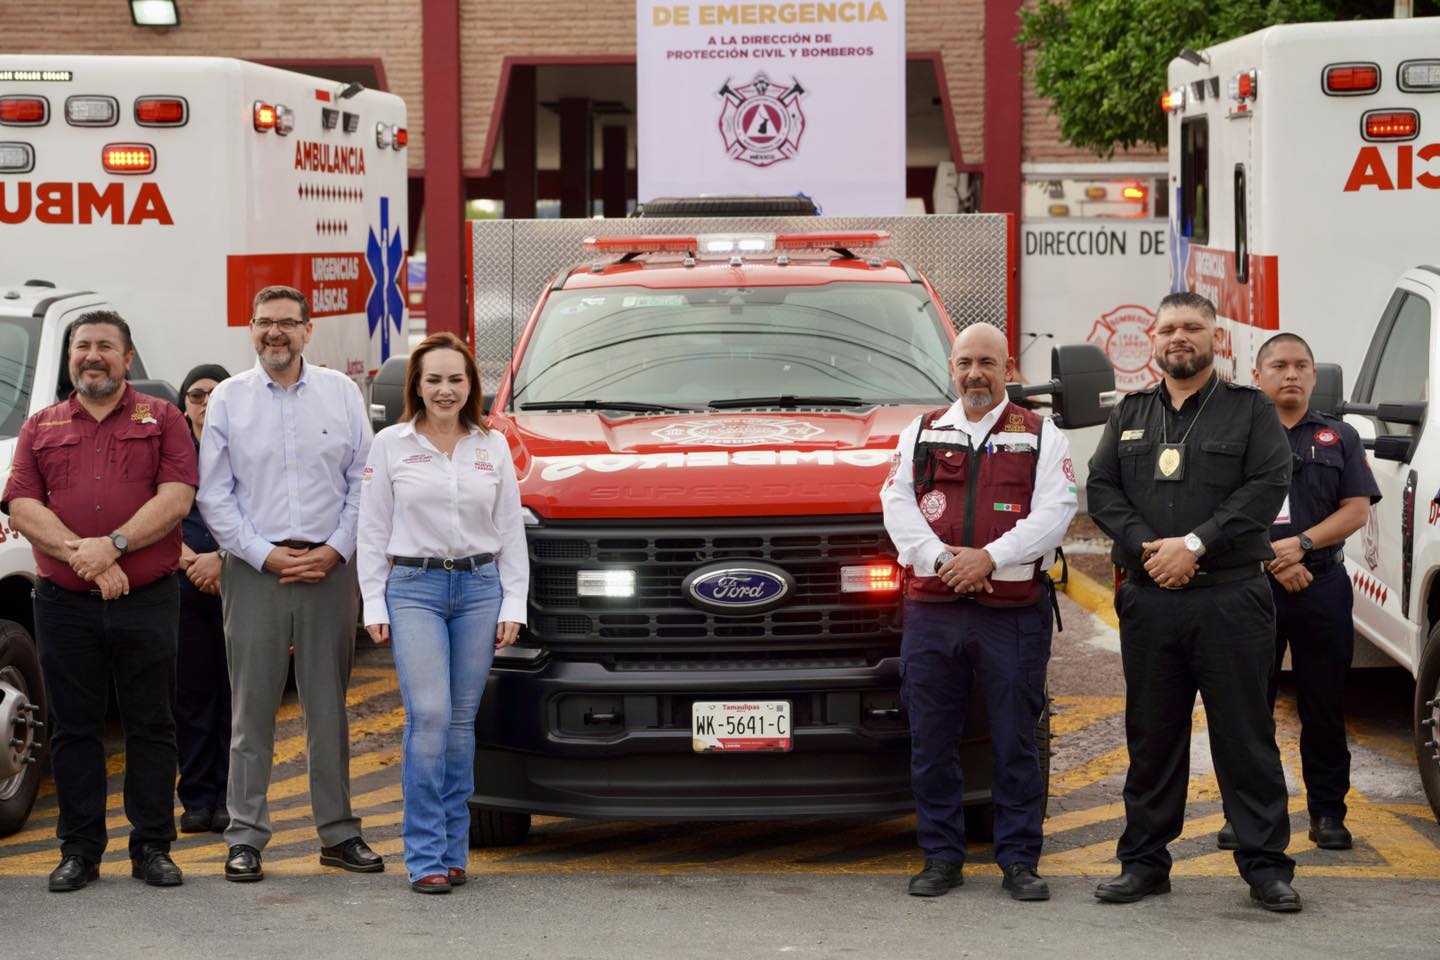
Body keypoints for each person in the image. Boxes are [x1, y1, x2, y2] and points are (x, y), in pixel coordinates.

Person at [1086, 291, 1301, 913]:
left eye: (1192, 328)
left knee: (1245, 736)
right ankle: (1145, 863)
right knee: (1152, 737)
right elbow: (1101, 488)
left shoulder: (1249, 410)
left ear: (1215, 339)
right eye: (1168, 328)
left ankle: (1265, 868)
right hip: (1151, 601)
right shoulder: (1129, 411)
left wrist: (1195, 545)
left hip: (1231, 598)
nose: (1179, 337)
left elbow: (1267, 485)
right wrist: (1148, 548)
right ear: (1153, 341)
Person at [880, 322, 1077, 901]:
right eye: (965, 362)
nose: (975, 375)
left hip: (1011, 613)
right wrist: (945, 560)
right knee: (932, 738)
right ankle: (941, 856)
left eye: (987, 363)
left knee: (1016, 739)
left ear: (1009, 368)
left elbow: (1056, 512)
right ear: (951, 367)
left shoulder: (1042, 434)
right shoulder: (920, 431)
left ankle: (1019, 860)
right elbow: (896, 504)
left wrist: (988, 559)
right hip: (933, 610)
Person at [1, 311, 196, 892]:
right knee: (74, 729)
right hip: (65, 602)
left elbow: (178, 497)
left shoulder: (162, 419)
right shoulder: (41, 426)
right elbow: (20, 504)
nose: (93, 355)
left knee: (152, 723)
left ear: (127, 357)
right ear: (70, 359)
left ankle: (153, 847)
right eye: (82, 346)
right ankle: (80, 850)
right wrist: (82, 556)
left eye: (105, 346)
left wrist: (112, 547)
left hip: (147, 597)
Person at [197, 285, 380, 882]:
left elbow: (364, 479)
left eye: (287, 323)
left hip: (331, 570)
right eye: (264, 323)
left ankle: (338, 833)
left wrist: (335, 550)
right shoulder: (228, 398)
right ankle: (245, 836)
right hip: (255, 574)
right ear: (251, 329)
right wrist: (264, 556)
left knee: (328, 708)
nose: (275, 333)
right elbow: (214, 495)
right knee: (251, 711)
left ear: (308, 330)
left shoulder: (341, 393)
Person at [357, 332, 528, 893]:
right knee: (428, 717)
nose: (446, 390)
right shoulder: (390, 445)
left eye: (456, 379)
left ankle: (455, 850)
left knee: (459, 725)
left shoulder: (492, 445)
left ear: (471, 385)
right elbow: (373, 528)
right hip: (414, 589)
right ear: (417, 386)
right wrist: (374, 601)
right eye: (434, 379)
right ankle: (425, 853)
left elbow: (509, 531)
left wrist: (514, 602)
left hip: (480, 588)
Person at [1210, 333, 1377, 852]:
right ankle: (1246, 815)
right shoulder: (1235, 435)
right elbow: (1218, 511)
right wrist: (1273, 558)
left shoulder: (1339, 437)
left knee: (1324, 705)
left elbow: (1356, 509)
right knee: (1247, 708)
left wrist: (1301, 546)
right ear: (1256, 376)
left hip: (1322, 584)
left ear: (1314, 376)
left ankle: (1328, 812)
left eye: (1302, 366)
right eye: (1279, 365)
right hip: (1248, 584)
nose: (1291, 374)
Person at [173, 364, 233, 834]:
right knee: (193, 695)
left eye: (215, 394)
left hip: (240, 578)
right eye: (196, 395)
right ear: (183, 402)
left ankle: (232, 797)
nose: (205, 403)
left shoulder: (244, 446)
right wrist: (191, 560)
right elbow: (150, 507)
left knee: (236, 696)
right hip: (182, 580)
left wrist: (221, 559)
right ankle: (197, 798)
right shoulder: (171, 451)